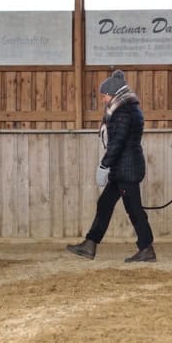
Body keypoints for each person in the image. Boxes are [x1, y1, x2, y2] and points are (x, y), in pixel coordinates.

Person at [67, 69, 156, 262]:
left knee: (134, 209)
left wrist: (104, 165)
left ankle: (146, 248)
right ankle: (90, 244)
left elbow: (118, 142)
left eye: (105, 95)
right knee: (105, 203)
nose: (103, 99)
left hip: (126, 169)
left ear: (114, 94)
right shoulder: (127, 108)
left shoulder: (123, 111)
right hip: (122, 168)